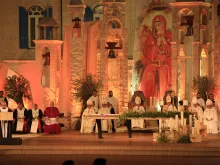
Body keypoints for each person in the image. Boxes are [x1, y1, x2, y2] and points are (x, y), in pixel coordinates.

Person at [140, 15, 172, 101]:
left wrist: (165, 43)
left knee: (163, 71)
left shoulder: (169, 35)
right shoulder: (151, 37)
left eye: (160, 24)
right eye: (156, 25)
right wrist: (156, 45)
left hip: (166, 62)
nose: (158, 27)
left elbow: (173, 52)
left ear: (164, 24)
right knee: (149, 73)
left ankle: (164, 100)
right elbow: (146, 51)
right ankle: (146, 100)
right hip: (154, 62)